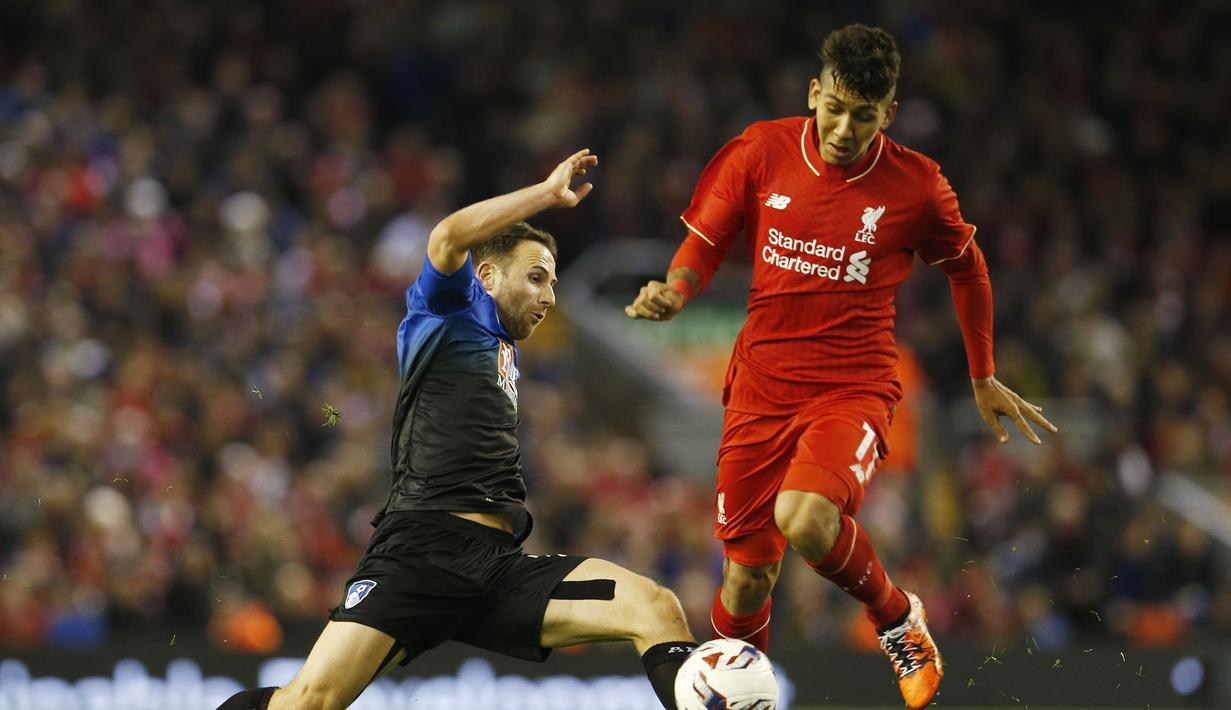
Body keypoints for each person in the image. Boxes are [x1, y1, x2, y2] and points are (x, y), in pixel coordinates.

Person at [625, 24, 1057, 709]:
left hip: (851, 386)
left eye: (863, 114)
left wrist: (981, 372)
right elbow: (704, 238)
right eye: (834, 108)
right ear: (813, 94)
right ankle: (739, 697)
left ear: (887, 113)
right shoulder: (762, 149)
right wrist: (675, 289)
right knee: (743, 581)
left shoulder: (915, 186)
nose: (844, 128)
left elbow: (967, 269)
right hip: (759, 386)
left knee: (804, 519)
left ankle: (897, 620)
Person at [221, 149, 699, 710]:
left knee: (656, 607)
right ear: (488, 275)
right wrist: (547, 194)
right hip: (420, 553)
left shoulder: (504, 350)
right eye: (537, 277)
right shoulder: (449, 311)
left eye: (553, 283)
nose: (549, 296)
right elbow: (448, 236)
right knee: (308, 702)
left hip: (497, 567)